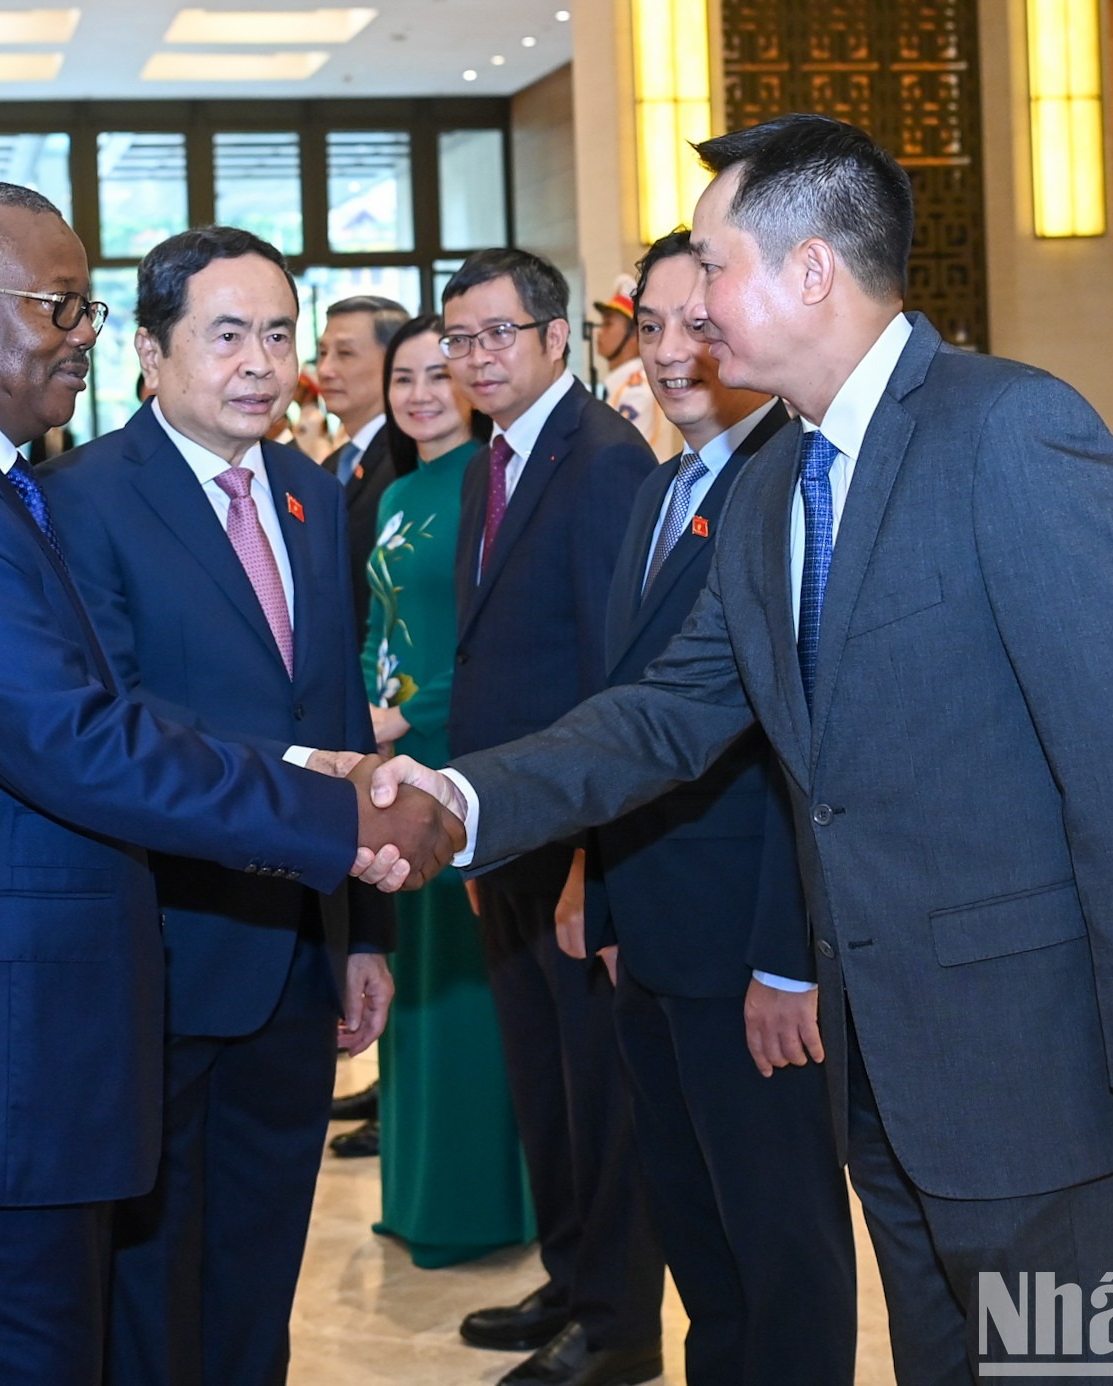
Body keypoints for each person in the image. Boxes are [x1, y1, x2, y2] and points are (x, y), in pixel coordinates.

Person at [366, 114, 1113, 1384]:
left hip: (1030, 1072)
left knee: (1060, 1370)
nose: (689, 305)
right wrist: (457, 795)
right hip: (874, 1067)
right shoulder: (776, 481)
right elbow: (668, 711)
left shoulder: (1009, 432)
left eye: (713, 269)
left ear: (811, 270)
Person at [0, 180, 461, 1386]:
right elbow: (76, 739)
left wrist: (325, 787)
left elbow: (93, 726)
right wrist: (340, 814)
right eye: (58, 305)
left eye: (84, 305)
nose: (80, 331)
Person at [37, 226, 395, 1386]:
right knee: (148, 1279)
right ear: (149, 352)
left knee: (258, 1260)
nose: (261, 362)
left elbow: (338, 708)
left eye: (279, 334)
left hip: (292, 957)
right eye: (227, 333)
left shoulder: (306, 489)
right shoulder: (79, 500)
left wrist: (361, 932)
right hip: (157, 951)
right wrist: (301, 774)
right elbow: (112, 719)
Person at [565, 231, 855, 1383]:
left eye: (702, 323)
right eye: (654, 327)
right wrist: (599, 881)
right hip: (654, 935)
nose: (676, 352)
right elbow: (629, 713)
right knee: (700, 1242)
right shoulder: (654, 490)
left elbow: (812, 759)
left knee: (781, 1249)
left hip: (754, 956)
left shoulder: (791, 483)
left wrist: (789, 961)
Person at [439, 247, 664, 1386]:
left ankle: (620, 1328)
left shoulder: (606, 463)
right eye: (459, 338)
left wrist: (592, 860)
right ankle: (573, 1278)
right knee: (543, 1074)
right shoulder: (500, 458)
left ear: (555, 337)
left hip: (572, 834)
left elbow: (615, 680)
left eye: (496, 335)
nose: (475, 357)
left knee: (600, 1089)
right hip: (511, 826)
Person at [360, 313, 533, 1261]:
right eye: (405, 378)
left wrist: (410, 728)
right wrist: (358, 724)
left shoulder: (485, 481)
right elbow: (377, 627)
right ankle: (420, 1196)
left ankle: (480, 1208)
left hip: (448, 769)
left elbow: (483, 644)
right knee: (411, 987)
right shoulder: (398, 491)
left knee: (466, 1002)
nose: (421, 393)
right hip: (387, 765)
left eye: (439, 373)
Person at [317, 294, 412, 635]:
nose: (325, 370)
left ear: (395, 362)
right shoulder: (329, 466)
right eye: (322, 353)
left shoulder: (409, 460)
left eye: (344, 353)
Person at [594, 273, 680, 457]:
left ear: (634, 335)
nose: (599, 332)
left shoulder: (636, 391)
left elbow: (616, 456)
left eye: (608, 324)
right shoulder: (622, 386)